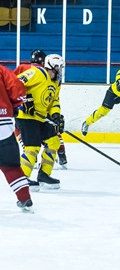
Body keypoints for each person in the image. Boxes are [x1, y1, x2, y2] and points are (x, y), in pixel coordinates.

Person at [15, 54, 65, 191]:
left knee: (54, 142)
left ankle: (44, 175)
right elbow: (15, 83)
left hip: (40, 117)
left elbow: (54, 101)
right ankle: (22, 178)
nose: (59, 70)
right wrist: (25, 100)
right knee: (32, 147)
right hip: (26, 116)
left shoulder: (55, 83)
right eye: (57, 67)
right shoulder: (37, 73)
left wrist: (56, 116)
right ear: (50, 66)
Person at [0, 64, 33, 212]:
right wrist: (14, 106)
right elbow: (17, 88)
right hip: (3, 124)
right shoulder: (1, 70)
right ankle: (24, 197)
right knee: (10, 165)